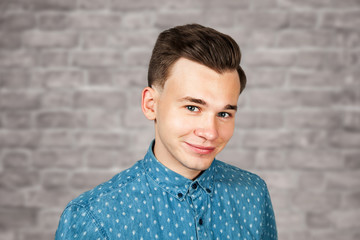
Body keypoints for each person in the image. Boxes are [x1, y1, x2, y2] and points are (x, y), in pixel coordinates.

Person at [55, 23, 277, 240]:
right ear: (151, 104)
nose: (210, 132)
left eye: (224, 114)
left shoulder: (253, 194)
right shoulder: (93, 217)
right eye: (192, 108)